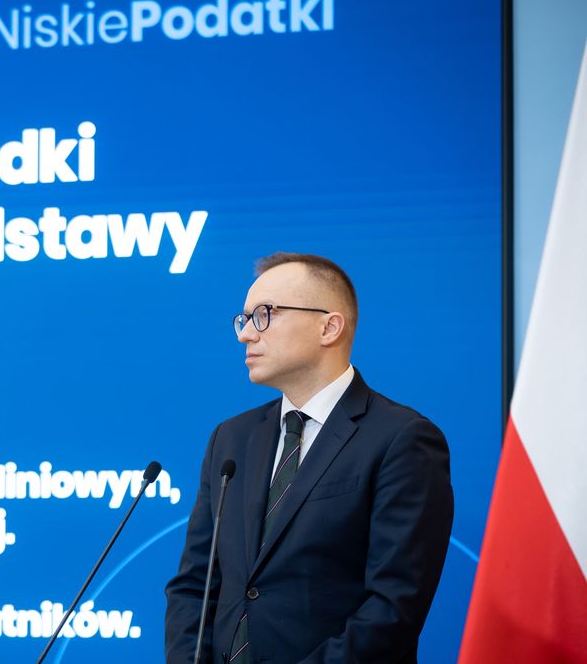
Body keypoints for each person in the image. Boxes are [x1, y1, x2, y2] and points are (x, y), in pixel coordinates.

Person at [164, 253, 454, 664]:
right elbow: (195, 585)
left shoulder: (402, 439)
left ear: (328, 327)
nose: (246, 334)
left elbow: (392, 608)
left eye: (264, 315)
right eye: (243, 319)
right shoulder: (231, 439)